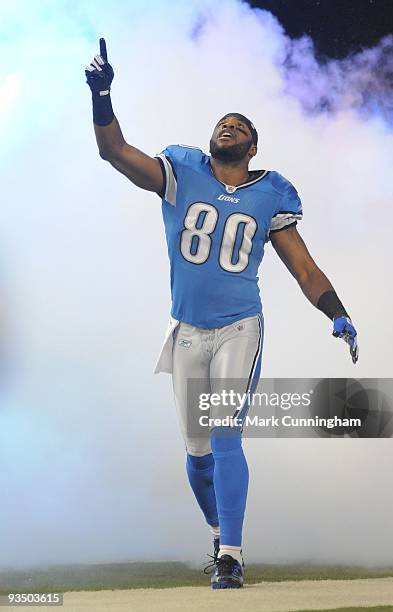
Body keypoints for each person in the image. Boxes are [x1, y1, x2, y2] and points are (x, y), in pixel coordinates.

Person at [85, 39, 358, 590]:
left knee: (227, 433)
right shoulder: (182, 168)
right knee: (198, 455)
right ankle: (218, 531)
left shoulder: (271, 193)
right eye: (222, 122)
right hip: (186, 330)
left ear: (254, 144)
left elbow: (304, 269)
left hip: (240, 326)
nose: (227, 126)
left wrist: (338, 313)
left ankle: (231, 555)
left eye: (239, 124)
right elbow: (115, 153)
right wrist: (102, 95)